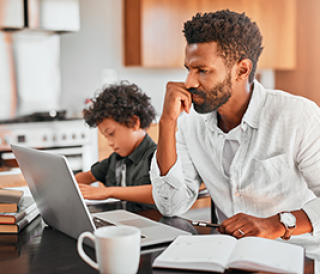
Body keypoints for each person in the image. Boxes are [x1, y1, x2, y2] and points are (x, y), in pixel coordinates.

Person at [150, 10, 320, 259]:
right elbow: (170, 204)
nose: (189, 82)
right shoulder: (190, 124)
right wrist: (166, 122)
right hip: (232, 257)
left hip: (300, 256)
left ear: (241, 70)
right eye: (188, 69)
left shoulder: (297, 115)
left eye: (202, 70)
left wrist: (277, 224)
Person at [75, 81, 156, 204]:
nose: (109, 143)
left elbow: (162, 193)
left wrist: (108, 192)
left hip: (152, 220)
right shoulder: (116, 159)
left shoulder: (156, 157)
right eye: (105, 136)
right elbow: (90, 176)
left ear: (133, 123)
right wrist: (63, 185)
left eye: (111, 134)